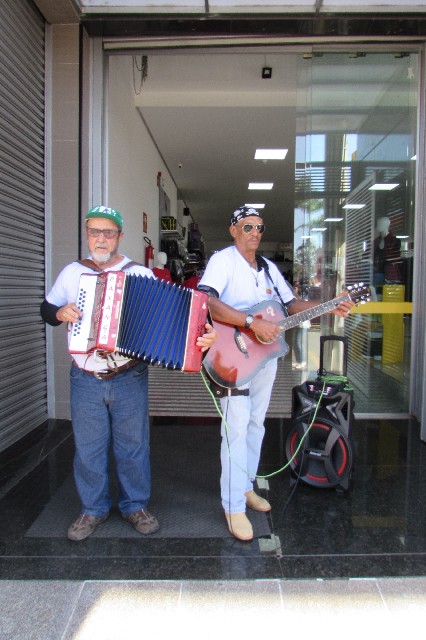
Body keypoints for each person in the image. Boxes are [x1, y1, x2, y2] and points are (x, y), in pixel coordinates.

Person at [40, 205, 216, 542]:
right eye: (95, 232)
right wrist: (59, 311)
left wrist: (202, 336)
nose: (101, 238)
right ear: (87, 234)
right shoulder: (73, 273)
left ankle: (135, 504)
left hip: (128, 374)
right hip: (84, 376)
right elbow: (46, 309)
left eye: (108, 232)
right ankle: (93, 509)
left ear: (120, 236)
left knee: (133, 446)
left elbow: (177, 322)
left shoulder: (141, 275)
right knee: (88, 448)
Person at [198, 205, 354, 542]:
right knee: (235, 429)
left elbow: (291, 305)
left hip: (264, 359)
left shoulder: (267, 268)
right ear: (233, 229)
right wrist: (252, 322)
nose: (255, 232)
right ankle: (232, 505)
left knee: (256, 423)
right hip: (231, 358)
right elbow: (205, 301)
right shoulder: (223, 261)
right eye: (248, 226)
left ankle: (246, 486)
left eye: (260, 227)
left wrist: (330, 304)